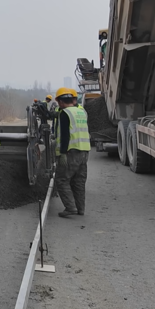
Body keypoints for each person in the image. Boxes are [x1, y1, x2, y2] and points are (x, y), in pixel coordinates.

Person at [54, 88, 90, 218]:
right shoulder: (82, 112)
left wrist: (63, 153)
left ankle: (70, 208)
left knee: (62, 179)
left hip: (71, 152)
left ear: (60, 102)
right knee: (78, 181)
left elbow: (65, 135)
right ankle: (80, 208)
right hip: (84, 151)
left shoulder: (65, 113)